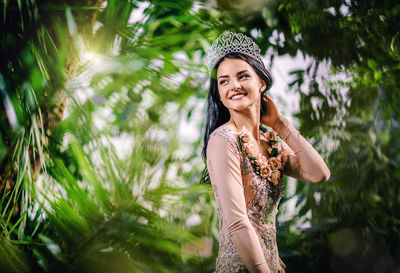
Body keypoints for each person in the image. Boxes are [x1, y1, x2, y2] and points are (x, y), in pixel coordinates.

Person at [201, 31, 331, 273]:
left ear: (261, 83)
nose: (234, 86)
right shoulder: (223, 140)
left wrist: (281, 125)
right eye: (224, 81)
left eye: (242, 76)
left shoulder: (270, 142)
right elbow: (238, 223)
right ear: (219, 92)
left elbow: (319, 174)